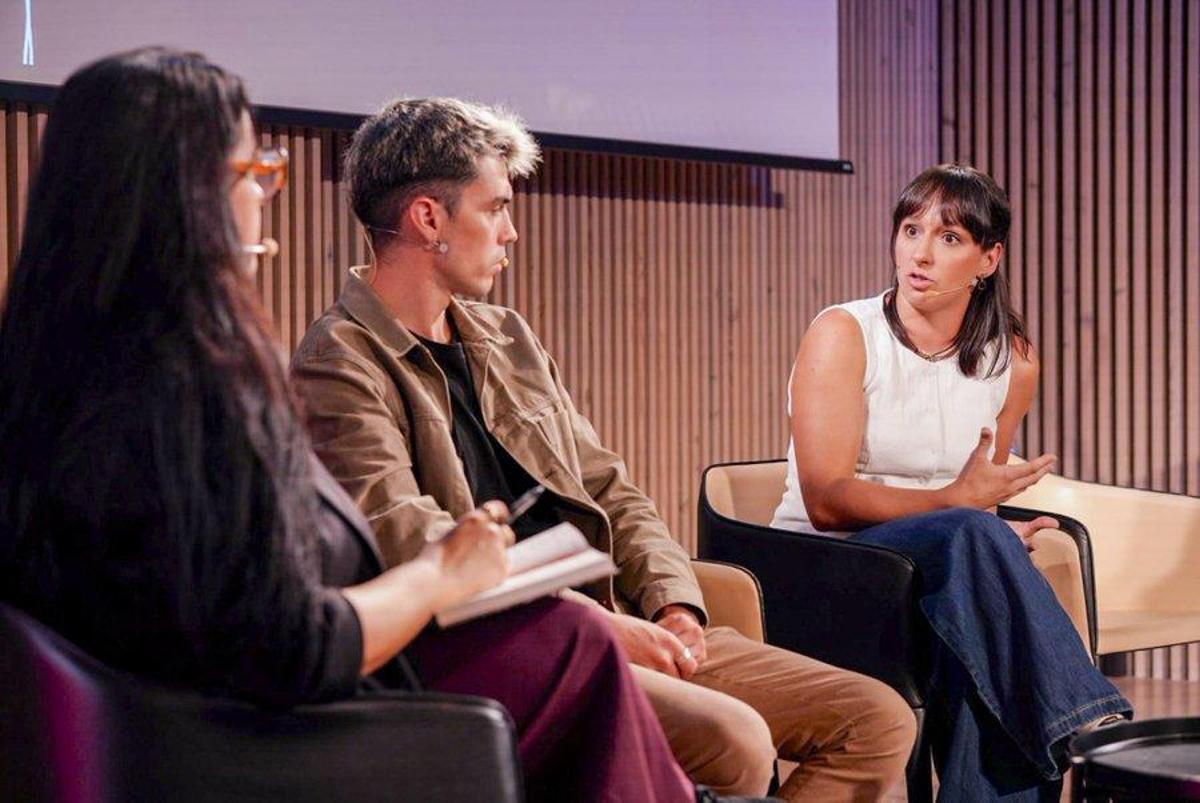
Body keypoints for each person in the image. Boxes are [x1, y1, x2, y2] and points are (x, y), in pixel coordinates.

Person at [0, 48, 704, 803]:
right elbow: (291, 641)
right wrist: (445, 571)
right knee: (581, 644)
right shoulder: (186, 386)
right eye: (253, 173)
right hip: (254, 747)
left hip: (177, 732)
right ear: (183, 197)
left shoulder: (54, 365)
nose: (264, 198)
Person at [291, 96, 916, 801]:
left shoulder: (507, 336)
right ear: (428, 218)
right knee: (737, 739)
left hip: (615, 611)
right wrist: (599, 623)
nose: (512, 232)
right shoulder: (340, 357)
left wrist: (674, 602)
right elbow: (404, 535)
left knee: (878, 719)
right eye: (495, 208)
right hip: (516, 642)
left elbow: (612, 487)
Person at [770, 163, 1132, 801]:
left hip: (940, 563)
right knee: (969, 538)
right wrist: (962, 513)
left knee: (980, 657)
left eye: (949, 238)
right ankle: (1085, 718)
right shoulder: (845, 334)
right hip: (823, 563)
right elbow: (826, 501)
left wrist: (992, 532)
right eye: (911, 230)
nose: (921, 253)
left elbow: (976, 489)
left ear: (989, 260)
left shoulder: (1011, 359)